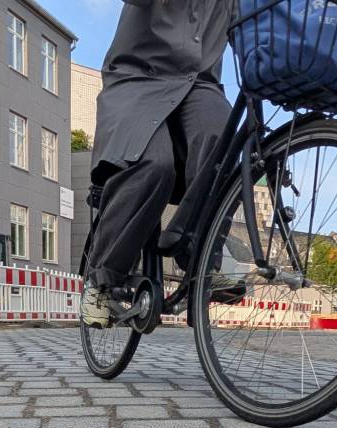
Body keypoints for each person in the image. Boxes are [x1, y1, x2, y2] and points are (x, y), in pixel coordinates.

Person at [81, 0, 234, 328]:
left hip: (199, 84)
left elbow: (263, 26)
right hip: (138, 76)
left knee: (223, 138)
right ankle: (101, 279)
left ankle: (201, 259)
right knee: (153, 163)